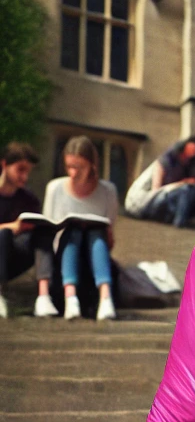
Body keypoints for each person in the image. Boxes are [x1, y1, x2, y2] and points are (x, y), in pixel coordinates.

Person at [40, 136, 120, 321]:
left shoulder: (107, 191)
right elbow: (48, 229)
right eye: (69, 167)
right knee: (73, 229)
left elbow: (110, 232)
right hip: (65, 250)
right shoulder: (55, 188)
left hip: (95, 250)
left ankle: (105, 298)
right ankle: (70, 298)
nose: (73, 173)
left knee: (96, 230)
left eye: (79, 167)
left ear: (92, 165)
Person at [0, 142, 52, 319]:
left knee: (43, 232)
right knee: (3, 234)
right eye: (20, 170)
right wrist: (11, 227)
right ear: (4, 164)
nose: (24, 176)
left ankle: (44, 297)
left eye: (28, 171)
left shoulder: (28, 199)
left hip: (16, 255)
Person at [125, 136, 195, 228]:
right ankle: (180, 221)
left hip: (181, 193)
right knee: (186, 190)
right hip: (157, 198)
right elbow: (156, 188)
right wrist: (181, 184)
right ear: (188, 144)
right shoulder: (166, 159)